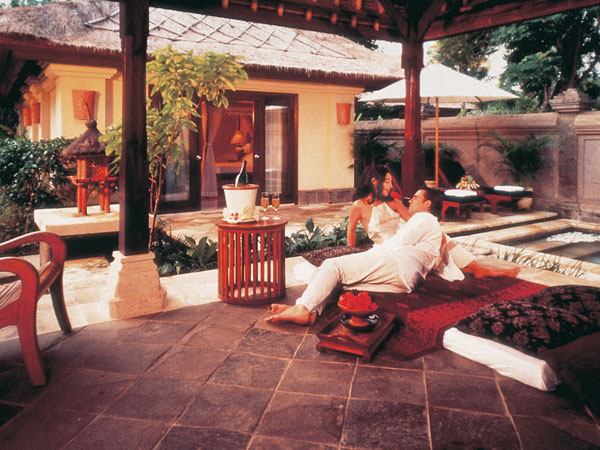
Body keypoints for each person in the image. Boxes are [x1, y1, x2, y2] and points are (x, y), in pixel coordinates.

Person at [267, 188, 453, 325]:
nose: (410, 200)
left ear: (428, 204)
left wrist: (370, 253)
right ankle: (310, 310)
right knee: (338, 280)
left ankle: (303, 309)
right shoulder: (432, 225)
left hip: (397, 264)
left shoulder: (423, 218)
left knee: (332, 265)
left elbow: (399, 241)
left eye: (416, 197)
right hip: (405, 281)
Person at [346, 165, 519, 279]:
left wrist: (430, 230)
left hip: (406, 238)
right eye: (387, 182)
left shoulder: (393, 203)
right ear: (374, 182)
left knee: (440, 237)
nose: (390, 186)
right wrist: (350, 254)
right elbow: (351, 231)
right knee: (438, 249)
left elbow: (414, 223)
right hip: (390, 248)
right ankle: (479, 269)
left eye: (391, 182)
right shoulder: (358, 206)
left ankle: (479, 269)